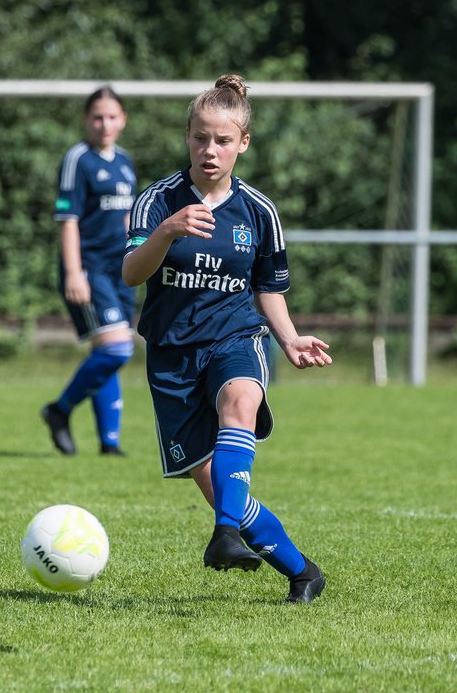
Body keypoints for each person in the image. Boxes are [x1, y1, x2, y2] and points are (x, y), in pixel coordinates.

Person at [123, 74, 332, 604]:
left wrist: (287, 340)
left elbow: (268, 289)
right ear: (187, 137)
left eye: (221, 140)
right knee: (223, 491)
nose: (209, 150)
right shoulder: (157, 201)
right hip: (171, 356)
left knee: (240, 401)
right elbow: (130, 273)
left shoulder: (259, 212)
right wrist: (168, 231)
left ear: (242, 143)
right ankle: (302, 571)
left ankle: (222, 536)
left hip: (237, 337)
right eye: (199, 138)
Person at [40, 87, 137, 456]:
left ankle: (109, 443)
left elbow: (130, 218)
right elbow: (68, 220)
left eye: (112, 116)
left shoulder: (126, 161)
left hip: (121, 270)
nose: (105, 124)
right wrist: (74, 272)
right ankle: (59, 410)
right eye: (98, 117)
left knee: (107, 350)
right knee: (117, 349)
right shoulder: (77, 159)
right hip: (90, 267)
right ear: (86, 119)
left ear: (123, 120)